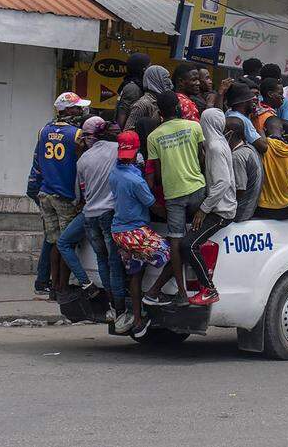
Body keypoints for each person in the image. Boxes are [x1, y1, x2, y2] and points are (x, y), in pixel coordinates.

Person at [143, 91, 206, 306]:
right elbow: (202, 159)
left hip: (173, 195)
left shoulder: (153, 136)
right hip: (197, 190)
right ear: (178, 108)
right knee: (196, 238)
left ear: (160, 112)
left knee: (175, 244)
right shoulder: (194, 127)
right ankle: (204, 283)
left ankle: (181, 293)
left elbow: (157, 172)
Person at [56, 117, 126, 310]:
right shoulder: (117, 150)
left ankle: (106, 298)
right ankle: (118, 306)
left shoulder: (83, 159)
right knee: (113, 261)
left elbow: (78, 196)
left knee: (102, 259)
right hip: (110, 212)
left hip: (90, 215)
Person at [27, 92, 89, 299]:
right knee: (66, 243)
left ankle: (53, 285)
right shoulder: (77, 134)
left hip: (46, 193)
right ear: (68, 110)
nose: (81, 111)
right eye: (77, 107)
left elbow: (37, 162)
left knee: (53, 241)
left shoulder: (43, 131)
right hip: (66, 196)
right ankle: (62, 286)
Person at [109, 130, 170, 337]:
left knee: (136, 272)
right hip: (134, 231)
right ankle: (153, 294)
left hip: (119, 231)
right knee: (171, 254)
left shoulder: (114, 172)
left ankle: (137, 319)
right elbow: (153, 205)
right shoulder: (136, 181)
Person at [181, 108, 237, 306]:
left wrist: (203, 209)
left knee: (188, 245)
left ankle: (209, 289)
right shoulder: (219, 142)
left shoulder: (215, 146)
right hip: (219, 206)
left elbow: (222, 182)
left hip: (221, 211)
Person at [255, 116, 288, 219]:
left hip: (261, 208)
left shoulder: (261, 148)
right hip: (284, 209)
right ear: (282, 131)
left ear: (265, 130)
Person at [224, 118, 262, 222]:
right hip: (250, 205)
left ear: (229, 134)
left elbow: (240, 189)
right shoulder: (249, 147)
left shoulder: (237, 156)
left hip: (241, 212)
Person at [223, 81, 268, 155]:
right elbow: (264, 147)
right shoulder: (243, 120)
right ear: (243, 102)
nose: (254, 102)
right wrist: (257, 123)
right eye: (251, 100)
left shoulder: (229, 112)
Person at [122, 65, 171, 131]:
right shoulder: (142, 105)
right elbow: (128, 133)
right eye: (166, 79)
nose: (170, 83)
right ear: (156, 80)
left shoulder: (163, 101)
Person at [114, 53, 151, 128]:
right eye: (149, 67)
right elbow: (122, 116)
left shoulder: (138, 85)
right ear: (143, 69)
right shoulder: (133, 88)